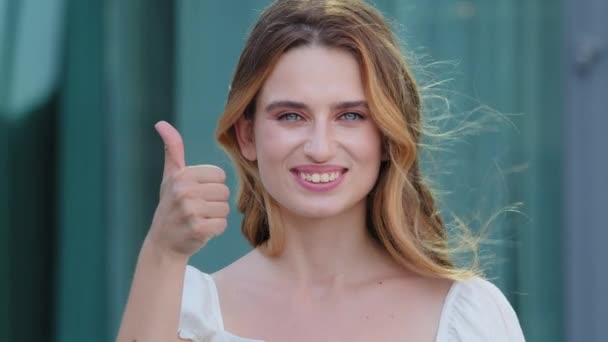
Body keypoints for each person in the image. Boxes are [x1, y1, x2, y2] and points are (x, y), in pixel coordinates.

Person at [117, 0, 525, 341]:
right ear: (247, 136)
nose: (319, 147)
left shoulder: (468, 315)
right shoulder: (188, 309)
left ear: (386, 135)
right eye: (292, 116)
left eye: (350, 115)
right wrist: (163, 250)